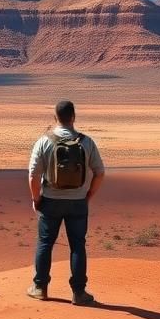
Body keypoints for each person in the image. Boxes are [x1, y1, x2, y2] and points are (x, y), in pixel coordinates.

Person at [27, 99, 105, 305]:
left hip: (50, 201)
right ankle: (79, 293)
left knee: (45, 243)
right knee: (77, 245)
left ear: (55, 118)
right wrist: (88, 195)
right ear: (74, 117)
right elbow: (100, 172)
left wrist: (36, 199)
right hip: (78, 202)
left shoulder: (44, 141)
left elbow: (33, 176)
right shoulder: (86, 142)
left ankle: (39, 287)